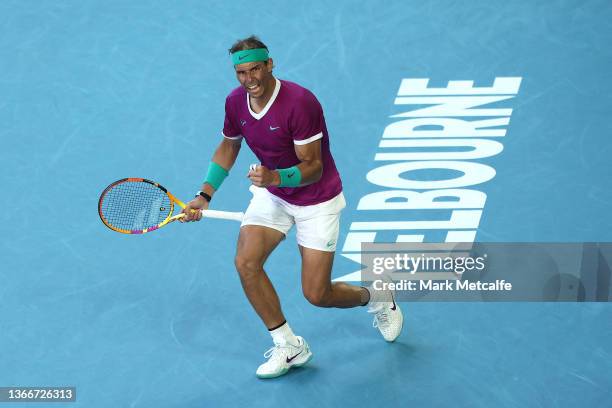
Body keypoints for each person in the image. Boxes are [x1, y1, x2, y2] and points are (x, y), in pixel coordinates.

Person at [181, 35, 403, 379]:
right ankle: (289, 345)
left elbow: (312, 166)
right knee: (246, 263)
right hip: (273, 194)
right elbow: (228, 145)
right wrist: (205, 194)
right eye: (241, 72)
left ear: (270, 64)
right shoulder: (235, 102)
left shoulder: (301, 102)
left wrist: (274, 178)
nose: (249, 79)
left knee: (318, 294)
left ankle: (375, 295)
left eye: (255, 69)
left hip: (317, 200)